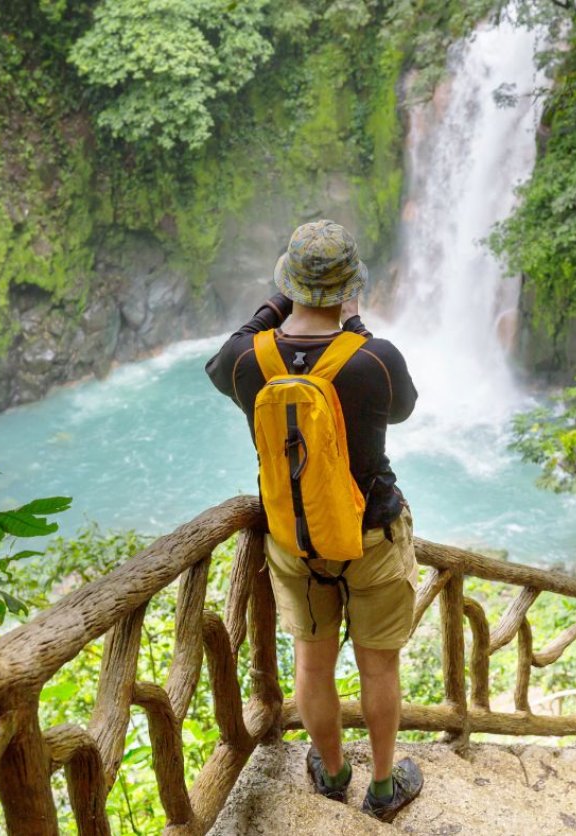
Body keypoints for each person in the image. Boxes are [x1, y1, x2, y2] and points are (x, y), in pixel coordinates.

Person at [205, 219, 422, 822]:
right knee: (379, 664)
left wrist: (273, 308)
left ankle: (331, 773)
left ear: (288, 285)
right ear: (350, 287)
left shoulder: (249, 359)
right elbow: (402, 409)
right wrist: (356, 327)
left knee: (312, 660)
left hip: (294, 539)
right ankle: (384, 785)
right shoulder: (373, 358)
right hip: (371, 535)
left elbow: (222, 358)